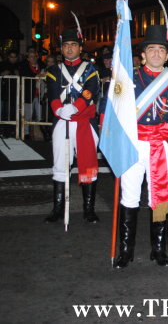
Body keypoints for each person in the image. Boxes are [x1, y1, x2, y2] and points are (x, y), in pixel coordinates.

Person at [114, 25, 168, 268]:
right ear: (143, 55)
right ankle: (126, 251)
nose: (157, 53)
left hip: (160, 146)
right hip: (132, 144)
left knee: (159, 199)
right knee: (130, 197)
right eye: (152, 49)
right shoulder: (127, 79)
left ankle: (158, 249)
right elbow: (113, 115)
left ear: (167, 56)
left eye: (161, 50)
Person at [44, 27, 100, 224]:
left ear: (80, 47)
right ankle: (58, 208)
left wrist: (74, 108)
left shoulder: (91, 70)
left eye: (73, 45)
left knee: (88, 165)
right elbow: (52, 93)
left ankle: (89, 210)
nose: (69, 49)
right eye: (66, 45)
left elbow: (90, 92)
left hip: (85, 122)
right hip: (62, 122)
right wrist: (59, 110)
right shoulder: (52, 71)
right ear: (61, 48)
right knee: (60, 164)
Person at [19, 47, 45, 138]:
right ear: (28, 58)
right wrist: (36, 75)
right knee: (27, 116)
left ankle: (41, 133)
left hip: (39, 95)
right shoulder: (24, 67)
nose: (33, 58)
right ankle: (25, 133)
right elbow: (25, 76)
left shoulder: (42, 66)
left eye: (34, 56)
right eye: (31, 57)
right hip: (28, 94)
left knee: (40, 115)